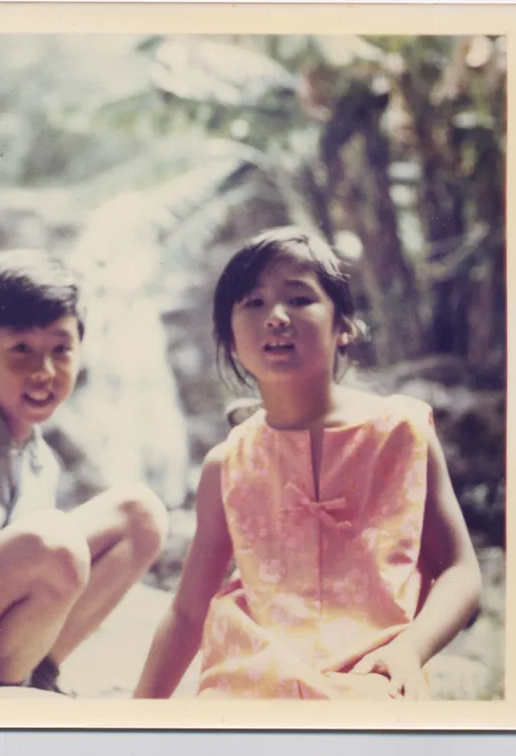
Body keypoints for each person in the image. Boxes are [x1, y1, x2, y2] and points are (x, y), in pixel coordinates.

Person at [133, 226, 483, 700]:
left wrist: (409, 651)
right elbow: (189, 611)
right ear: (231, 340)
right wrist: (140, 717)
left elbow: (460, 571)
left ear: (344, 327)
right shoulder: (228, 464)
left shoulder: (402, 434)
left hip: (372, 670)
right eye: (253, 303)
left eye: (299, 299)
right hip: (248, 673)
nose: (276, 316)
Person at [0, 249, 170, 695]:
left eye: (61, 350)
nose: (44, 372)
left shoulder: (40, 459)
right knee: (53, 540)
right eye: (21, 351)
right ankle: (10, 697)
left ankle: (37, 679)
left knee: (141, 514)